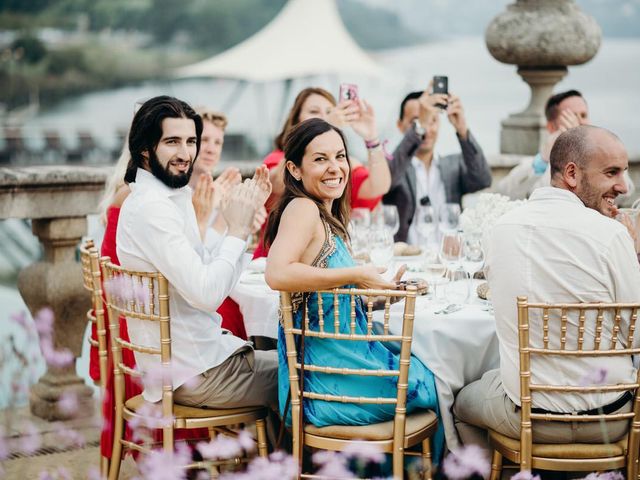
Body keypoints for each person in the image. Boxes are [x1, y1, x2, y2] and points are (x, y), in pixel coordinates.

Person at [264, 117, 443, 457]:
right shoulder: (302, 209)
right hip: (328, 387)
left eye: (340, 156)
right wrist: (355, 274)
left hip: (341, 368)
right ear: (295, 169)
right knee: (442, 385)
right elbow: (277, 273)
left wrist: (378, 294)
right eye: (320, 159)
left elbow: (323, 301)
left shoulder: (325, 216)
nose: (335, 168)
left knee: (428, 368)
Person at [453, 125, 640, 450]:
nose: (624, 186)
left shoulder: (499, 230)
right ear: (571, 173)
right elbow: (635, 335)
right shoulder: (612, 235)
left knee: (460, 403)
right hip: (610, 417)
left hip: (527, 416)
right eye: (612, 173)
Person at [116, 96, 277, 415]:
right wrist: (238, 229)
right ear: (145, 149)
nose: (186, 153)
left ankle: (267, 462)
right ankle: (297, 465)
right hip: (198, 373)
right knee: (309, 374)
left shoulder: (167, 198)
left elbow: (202, 268)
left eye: (191, 141)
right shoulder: (153, 209)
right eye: (172, 141)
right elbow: (206, 295)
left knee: (292, 361)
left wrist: (239, 221)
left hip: (197, 362)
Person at [383, 85, 492, 243]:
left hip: (447, 261)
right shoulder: (394, 166)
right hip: (406, 260)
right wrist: (419, 127)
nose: (426, 128)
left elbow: (483, 179)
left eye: (432, 120)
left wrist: (462, 130)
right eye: (417, 121)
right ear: (400, 125)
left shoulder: (453, 165)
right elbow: (387, 181)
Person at [495, 89, 635, 200]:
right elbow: (506, 193)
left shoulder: (606, 155)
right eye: (572, 116)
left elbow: (626, 191)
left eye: (584, 115)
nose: (580, 122)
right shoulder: (536, 164)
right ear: (551, 127)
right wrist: (546, 158)